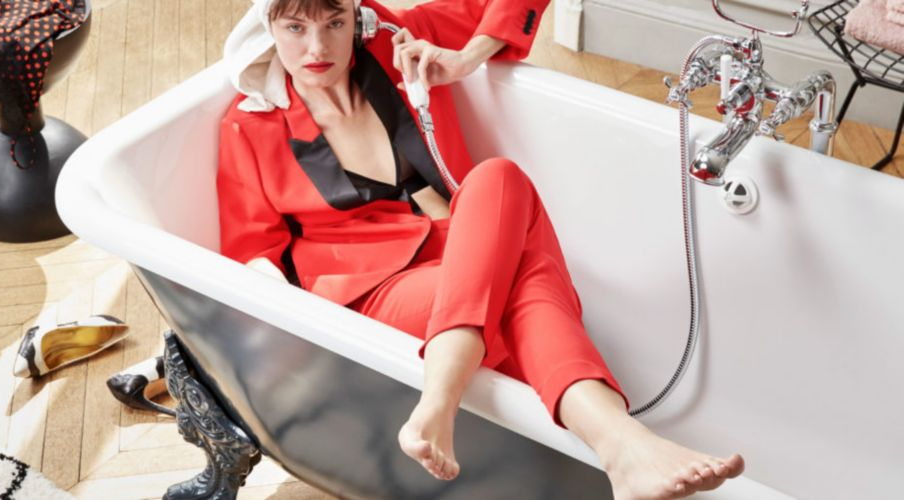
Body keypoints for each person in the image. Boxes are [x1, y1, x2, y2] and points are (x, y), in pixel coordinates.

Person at [216, 0, 745, 497]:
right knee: (521, 282)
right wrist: (296, 345)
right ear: (269, 27)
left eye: (334, 23)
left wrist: (466, 59)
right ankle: (616, 439)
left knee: (498, 177)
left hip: (467, 250)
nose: (317, 48)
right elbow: (251, 253)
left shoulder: (399, 41)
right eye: (295, 28)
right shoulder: (250, 126)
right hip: (376, 293)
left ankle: (453, 407)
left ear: (356, 17)